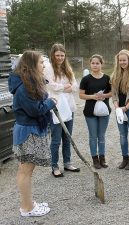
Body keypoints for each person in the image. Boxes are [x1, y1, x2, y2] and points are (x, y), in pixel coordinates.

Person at [8, 50, 56, 217]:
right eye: (42, 62)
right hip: (28, 132)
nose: (44, 65)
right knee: (25, 171)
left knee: (26, 170)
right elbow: (36, 110)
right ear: (31, 65)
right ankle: (27, 208)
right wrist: (50, 102)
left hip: (30, 129)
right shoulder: (24, 87)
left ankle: (27, 204)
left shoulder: (30, 82)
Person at [44, 43, 80, 177]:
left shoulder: (67, 68)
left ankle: (67, 162)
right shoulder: (48, 69)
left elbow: (75, 85)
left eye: (62, 55)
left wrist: (66, 87)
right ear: (53, 55)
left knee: (67, 136)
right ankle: (54, 166)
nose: (60, 58)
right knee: (56, 139)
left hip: (69, 106)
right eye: (57, 55)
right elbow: (51, 86)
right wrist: (65, 86)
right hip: (56, 107)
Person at [79, 54, 112, 169]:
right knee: (93, 136)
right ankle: (95, 159)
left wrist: (104, 95)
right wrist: (93, 97)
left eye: (97, 63)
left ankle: (102, 158)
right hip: (90, 112)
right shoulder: (86, 79)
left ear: (101, 64)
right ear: (90, 64)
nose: (95, 65)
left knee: (101, 135)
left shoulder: (107, 78)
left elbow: (112, 93)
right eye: (93, 63)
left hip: (104, 111)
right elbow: (81, 95)